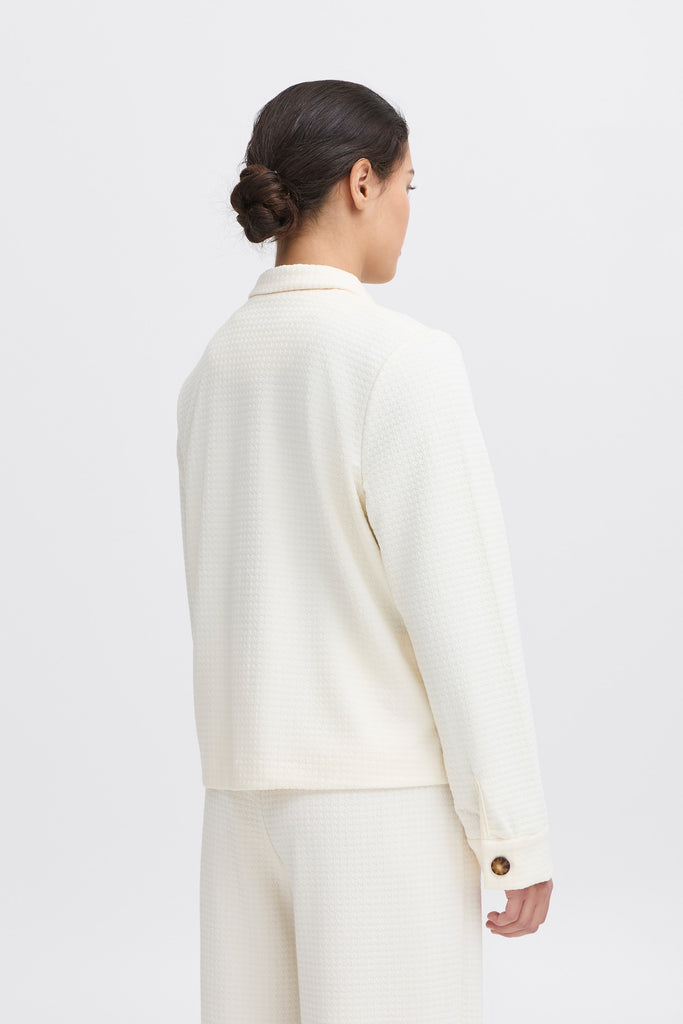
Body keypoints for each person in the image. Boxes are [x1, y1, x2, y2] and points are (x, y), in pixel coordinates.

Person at [176, 78, 554, 1024]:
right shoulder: (397, 361)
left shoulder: (213, 371)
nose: (407, 211)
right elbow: (460, 611)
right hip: (378, 813)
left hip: (238, 804)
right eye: (407, 185)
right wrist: (511, 831)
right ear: (359, 182)